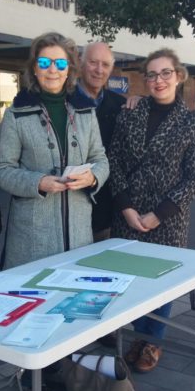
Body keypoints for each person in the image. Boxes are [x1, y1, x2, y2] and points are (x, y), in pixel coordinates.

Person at [0, 31, 109, 391]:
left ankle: (64, 373)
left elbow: (101, 159)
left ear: (70, 68)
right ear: (34, 67)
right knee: (35, 312)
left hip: (78, 233)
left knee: (69, 310)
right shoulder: (17, 114)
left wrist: (92, 176)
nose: (53, 70)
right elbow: (2, 170)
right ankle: (31, 382)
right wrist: (38, 182)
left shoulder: (85, 112)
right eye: (44, 62)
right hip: (33, 236)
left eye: (60, 63)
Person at [109, 47, 195, 373]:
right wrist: (126, 207)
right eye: (152, 74)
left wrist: (160, 214)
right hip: (129, 215)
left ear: (179, 76)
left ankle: (153, 343)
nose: (158, 80)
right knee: (132, 283)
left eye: (166, 73)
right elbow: (114, 161)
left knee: (162, 284)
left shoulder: (191, 122)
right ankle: (140, 337)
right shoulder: (129, 113)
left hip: (168, 219)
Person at [75, 41, 140, 241]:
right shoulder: (62, 101)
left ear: (111, 69)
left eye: (105, 64)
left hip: (107, 213)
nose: (99, 70)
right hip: (68, 210)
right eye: (93, 62)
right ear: (81, 63)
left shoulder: (123, 106)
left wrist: (143, 102)